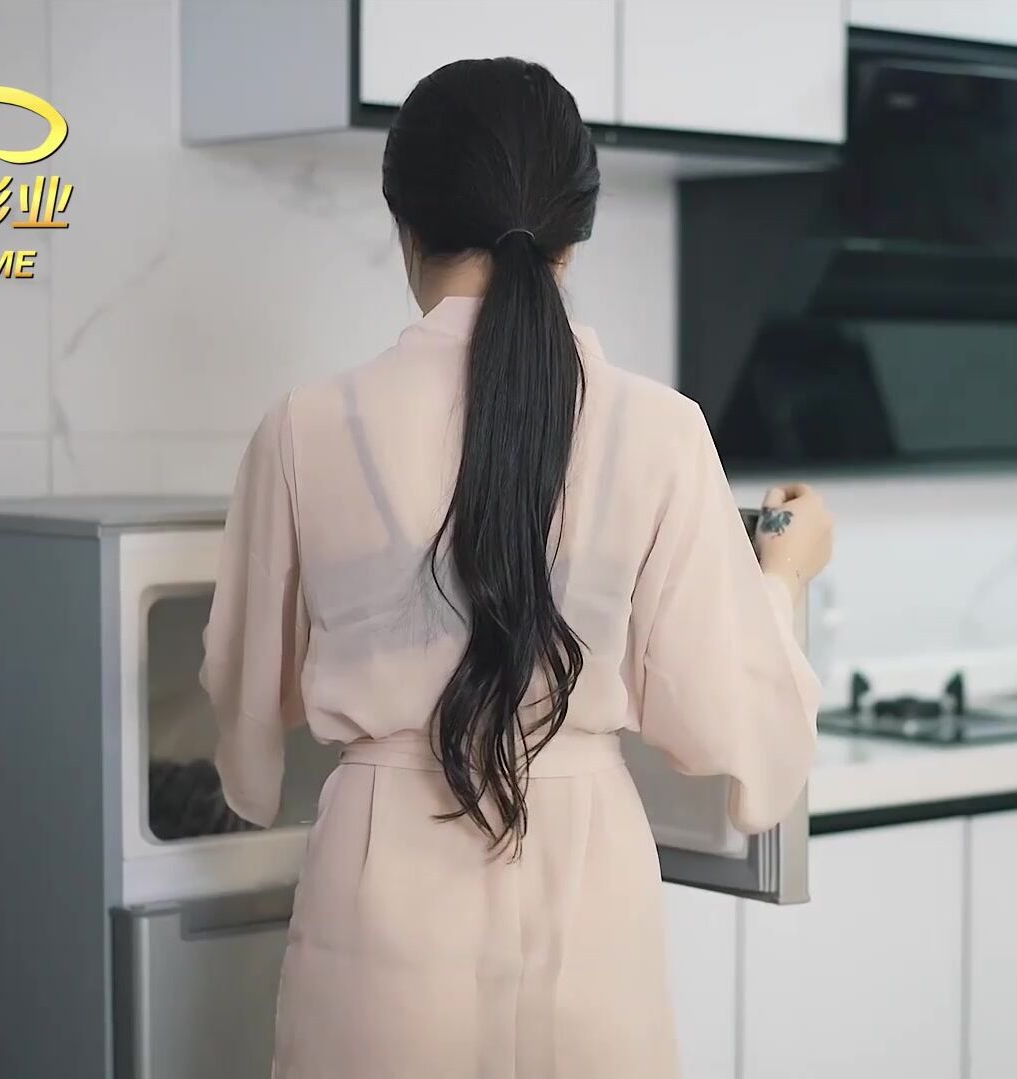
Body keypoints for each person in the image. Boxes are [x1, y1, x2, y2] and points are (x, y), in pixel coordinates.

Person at [200, 57, 832, 1078]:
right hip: (588, 893)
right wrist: (783, 575)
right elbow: (736, 729)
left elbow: (246, 723)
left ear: (403, 222)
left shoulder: (302, 429)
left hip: (377, 891)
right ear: (574, 234)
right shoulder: (660, 429)